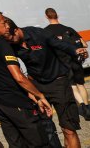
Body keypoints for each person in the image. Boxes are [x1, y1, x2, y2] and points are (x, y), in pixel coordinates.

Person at [0, 10, 53, 148]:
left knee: (15, 143)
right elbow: (19, 77)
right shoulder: (3, 44)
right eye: (3, 23)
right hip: (16, 102)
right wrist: (39, 95)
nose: (7, 26)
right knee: (38, 141)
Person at [6, 18, 84, 148]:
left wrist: (75, 50)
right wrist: (29, 90)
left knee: (68, 129)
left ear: (16, 30)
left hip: (58, 83)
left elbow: (60, 44)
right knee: (44, 130)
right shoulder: (9, 44)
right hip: (37, 86)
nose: (9, 41)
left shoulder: (38, 33)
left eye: (10, 38)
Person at [42, 8, 90, 121]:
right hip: (76, 61)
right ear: (57, 15)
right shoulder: (69, 29)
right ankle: (87, 106)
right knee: (81, 85)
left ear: (46, 16)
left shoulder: (46, 32)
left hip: (63, 63)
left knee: (73, 86)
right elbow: (84, 44)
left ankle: (82, 105)